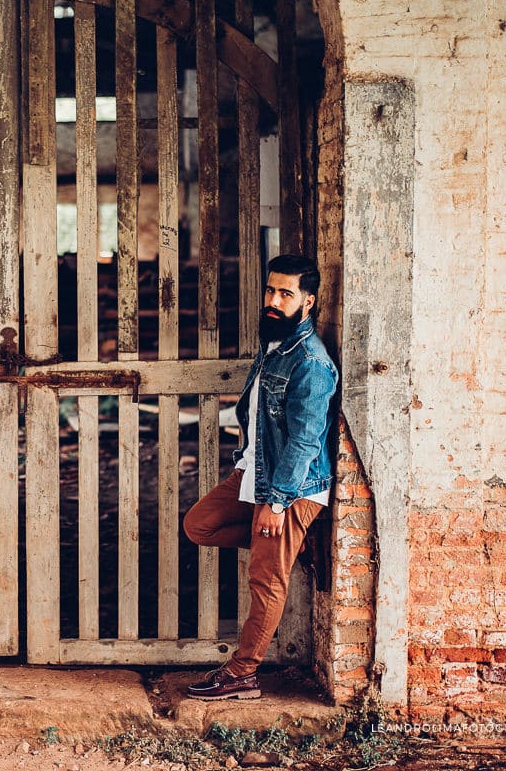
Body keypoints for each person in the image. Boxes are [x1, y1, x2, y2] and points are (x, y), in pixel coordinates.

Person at [182, 254, 338, 701]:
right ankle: (293, 545)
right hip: (256, 471)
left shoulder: (310, 362)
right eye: (271, 290)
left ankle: (243, 673)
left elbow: (306, 443)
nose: (274, 300)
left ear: (307, 302)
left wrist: (277, 503)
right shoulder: (275, 343)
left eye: (286, 294)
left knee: (265, 579)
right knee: (199, 524)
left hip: (290, 486)